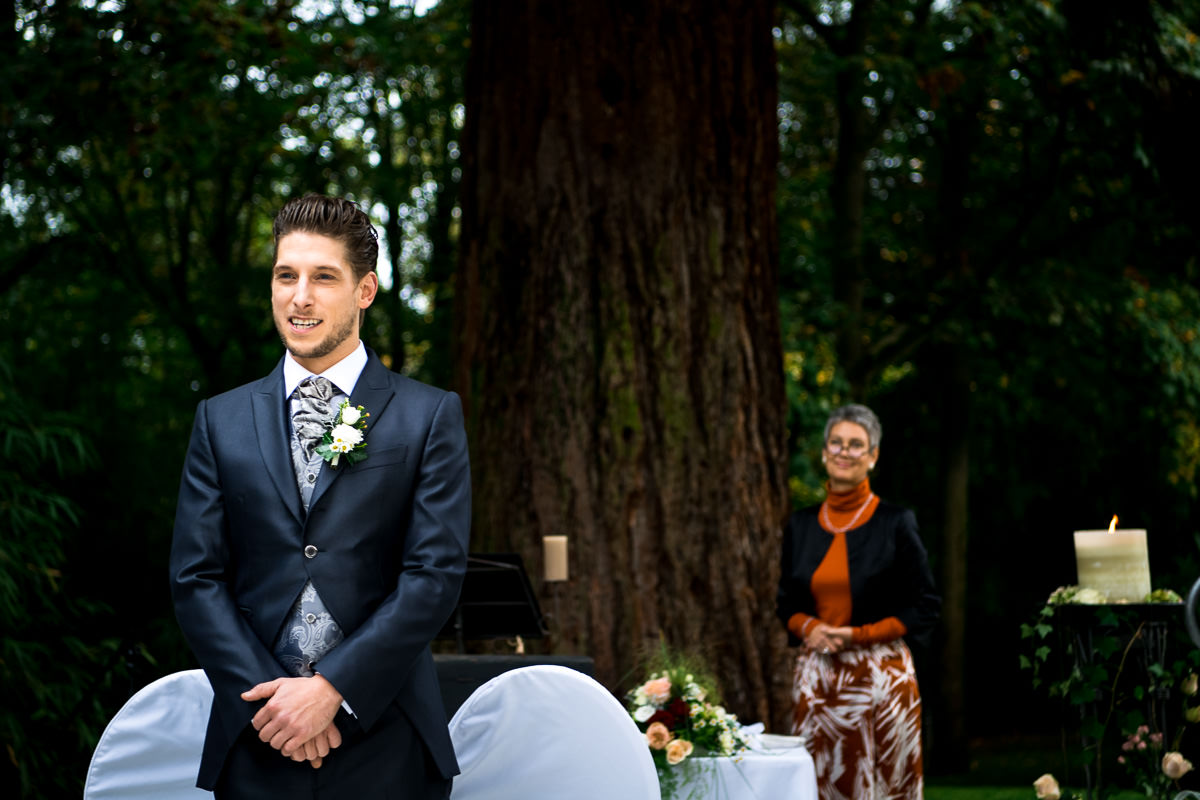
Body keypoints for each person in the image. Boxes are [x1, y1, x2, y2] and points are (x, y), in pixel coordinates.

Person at [169, 194, 470, 799]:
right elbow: (196, 577)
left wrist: (332, 689)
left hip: (388, 736)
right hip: (257, 734)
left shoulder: (428, 415)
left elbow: (434, 574)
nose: (299, 296)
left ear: (365, 291)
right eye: (286, 275)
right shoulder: (218, 419)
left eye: (323, 277)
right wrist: (274, 708)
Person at [775, 403, 940, 800]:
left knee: (885, 787)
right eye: (836, 442)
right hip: (820, 681)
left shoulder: (896, 522)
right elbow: (786, 604)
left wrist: (856, 634)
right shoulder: (800, 524)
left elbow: (925, 604)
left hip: (882, 678)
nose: (844, 451)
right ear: (823, 452)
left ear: (872, 456)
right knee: (822, 785)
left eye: (855, 445)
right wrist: (810, 628)